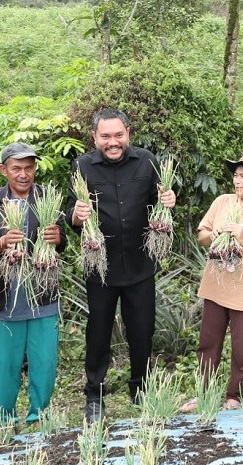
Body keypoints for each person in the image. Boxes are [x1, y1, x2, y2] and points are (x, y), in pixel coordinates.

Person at [65, 107, 176, 423]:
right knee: (98, 332)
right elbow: (71, 210)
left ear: (128, 133)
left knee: (142, 331)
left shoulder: (147, 161)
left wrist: (169, 201)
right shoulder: (82, 166)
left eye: (118, 135)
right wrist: (77, 216)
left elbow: (161, 200)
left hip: (141, 264)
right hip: (100, 266)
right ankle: (94, 394)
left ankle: (139, 388)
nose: (112, 142)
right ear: (94, 137)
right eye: (105, 136)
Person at [179, 152, 243, 413]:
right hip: (216, 287)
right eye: (236, 175)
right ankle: (204, 393)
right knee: (208, 343)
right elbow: (202, 235)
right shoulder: (222, 202)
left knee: (242, 349)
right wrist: (212, 234)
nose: (238, 181)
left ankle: (234, 396)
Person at [0, 142, 67, 424]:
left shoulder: (47, 196)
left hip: (43, 294)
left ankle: (39, 415)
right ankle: (3, 420)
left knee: (44, 363)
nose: (23, 174)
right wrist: (2, 243)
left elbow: (61, 240)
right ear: (4, 170)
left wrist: (58, 238)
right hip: (6, 298)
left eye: (29, 168)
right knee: (5, 365)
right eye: (16, 168)